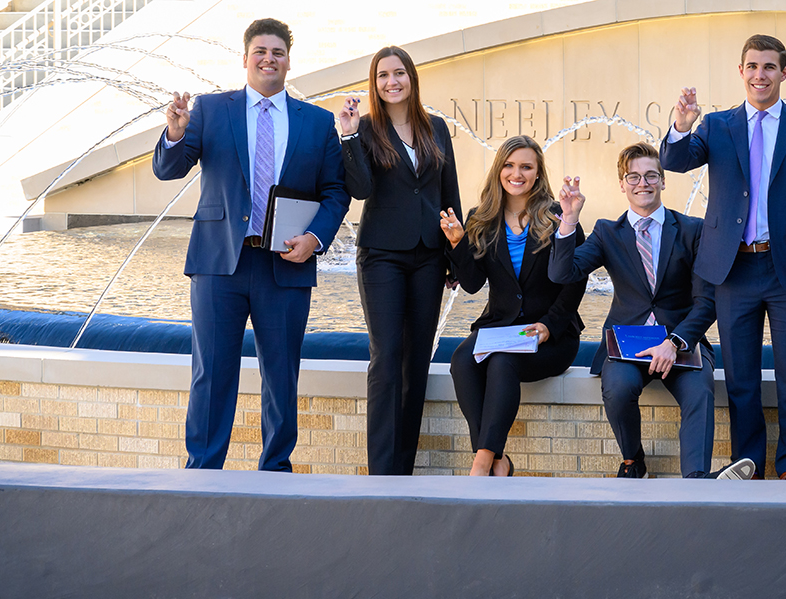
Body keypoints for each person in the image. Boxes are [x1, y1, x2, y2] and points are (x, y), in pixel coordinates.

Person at [152, 18, 349, 472]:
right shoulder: (210, 110)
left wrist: (315, 238)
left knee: (281, 376)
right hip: (220, 261)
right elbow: (169, 170)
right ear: (245, 59)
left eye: (277, 52)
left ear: (287, 61)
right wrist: (176, 133)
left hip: (286, 264)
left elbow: (336, 191)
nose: (268, 59)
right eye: (260, 51)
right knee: (212, 372)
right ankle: (203, 469)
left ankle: (275, 470)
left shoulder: (316, 123)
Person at [661, 34, 786, 480]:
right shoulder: (717, 126)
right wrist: (682, 125)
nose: (760, 75)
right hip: (732, 269)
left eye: (769, 67)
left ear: (783, 72)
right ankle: (750, 467)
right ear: (741, 72)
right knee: (741, 380)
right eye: (753, 66)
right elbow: (676, 161)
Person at [550, 143, 755, 480]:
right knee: (618, 389)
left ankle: (696, 480)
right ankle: (633, 461)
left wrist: (674, 342)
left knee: (700, 391)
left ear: (663, 181)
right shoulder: (606, 232)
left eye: (650, 176)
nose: (642, 183)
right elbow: (562, 273)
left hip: (680, 342)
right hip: (627, 344)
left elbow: (707, 301)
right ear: (622, 184)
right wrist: (569, 220)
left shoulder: (691, 230)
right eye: (633, 176)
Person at [336, 46, 462, 476]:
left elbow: (450, 195)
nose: (392, 82)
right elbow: (359, 189)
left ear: (411, 77)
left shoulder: (437, 128)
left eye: (399, 73)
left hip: (428, 255)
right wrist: (349, 136)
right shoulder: (366, 128)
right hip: (382, 255)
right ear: (375, 83)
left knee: (416, 361)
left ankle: (402, 470)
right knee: (387, 356)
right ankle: (381, 472)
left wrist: (454, 257)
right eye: (382, 75)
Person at [440, 135, 585, 477]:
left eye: (526, 167)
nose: (516, 173)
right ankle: (498, 460)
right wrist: (459, 242)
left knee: (503, 363)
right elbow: (473, 284)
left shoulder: (557, 215)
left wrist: (550, 325)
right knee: (462, 359)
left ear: (537, 173)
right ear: (498, 170)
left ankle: (480, 464)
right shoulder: (482, 217)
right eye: (509, 165)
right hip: (502, 328)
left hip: (551, 334)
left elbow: (576, 281)